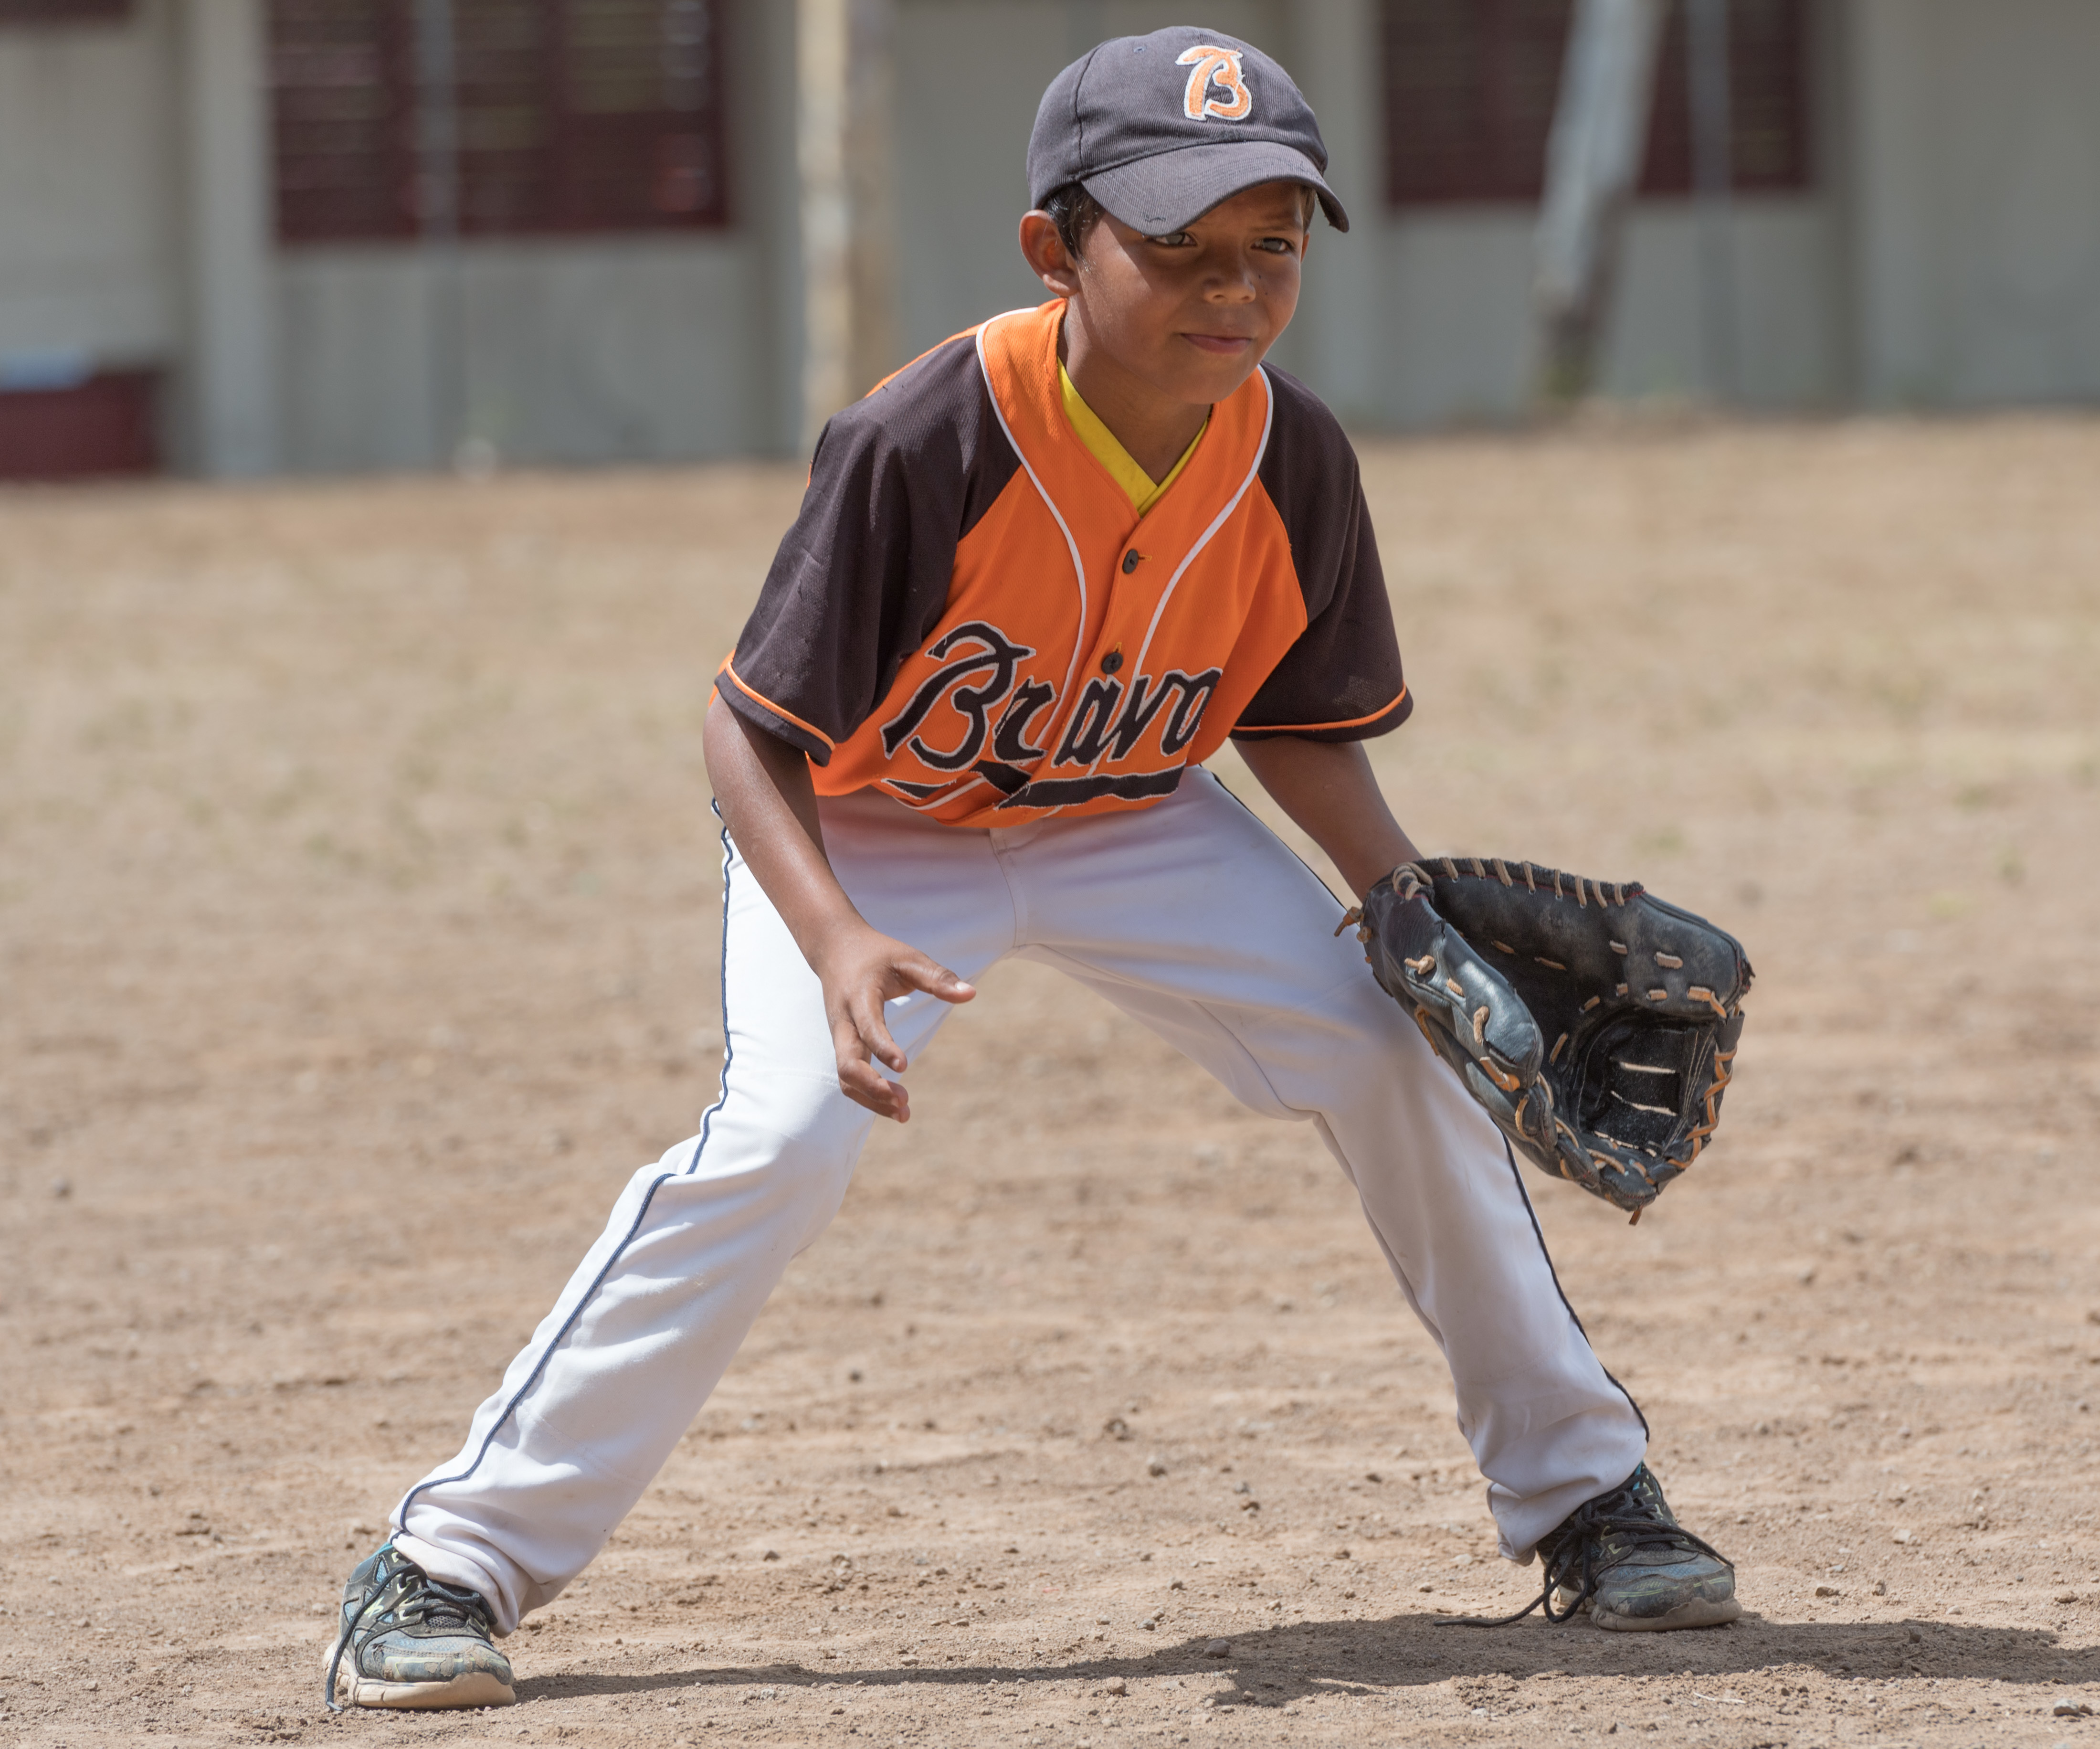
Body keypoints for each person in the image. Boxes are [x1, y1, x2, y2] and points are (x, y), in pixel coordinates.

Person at [324, 25, 1737, 1713]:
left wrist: (1403, 904)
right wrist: (837, 939)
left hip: (1129, 820)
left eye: (1270, 246)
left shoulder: (1295, 458)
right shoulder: (927, 439)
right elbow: (745, 730)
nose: (1233, 288)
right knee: (781, 1137)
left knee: (1394, 1050)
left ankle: (1588, 1497)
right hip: (870, 833)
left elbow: (1291, 718)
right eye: (1178, 248)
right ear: (1055, 249)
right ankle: (443, 1562)